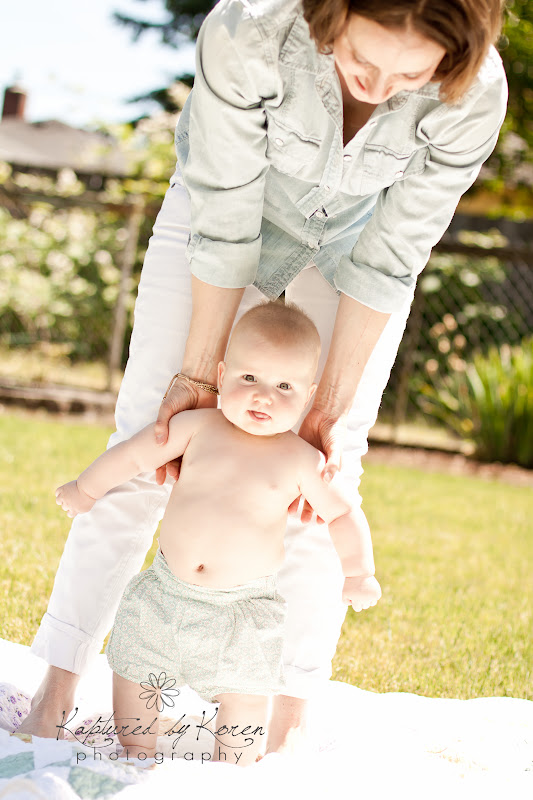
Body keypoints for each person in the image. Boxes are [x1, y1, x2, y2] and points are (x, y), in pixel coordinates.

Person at [19, 0, 508, 755]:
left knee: (326, 471)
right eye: (362, 60)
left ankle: (284, 724)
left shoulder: (474, 92)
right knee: (149, 440)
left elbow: (390, 256)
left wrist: (326, 411)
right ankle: (57, 689)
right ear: (333, 15)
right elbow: (225, 215)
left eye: (411, 75)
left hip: (354, 255)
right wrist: (198, 372)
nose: (380, 88)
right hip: (219, 223)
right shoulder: (249, 28)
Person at [54, 301, 381, 766]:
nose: (263, 397)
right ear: (222, 375)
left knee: (243, 710)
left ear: (308, 396)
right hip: (166, 594)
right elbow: (133, 455)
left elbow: (343, 513)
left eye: (284, 386)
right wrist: (86, 489)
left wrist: (358, 572)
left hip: (242, 614)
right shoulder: (197, 426)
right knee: (135, 679)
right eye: (250, 378)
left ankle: (231, 771)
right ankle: (136, 755)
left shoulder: (300, 460)